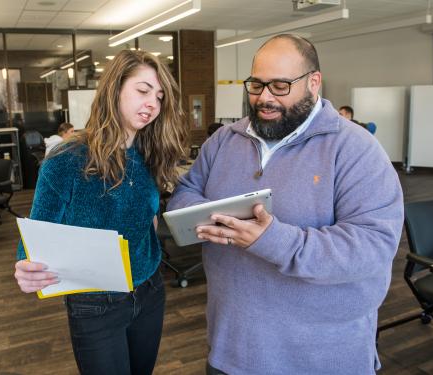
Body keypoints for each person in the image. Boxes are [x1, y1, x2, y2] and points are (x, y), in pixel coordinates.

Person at [167, 34, 403, 375]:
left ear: (313, 83)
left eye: (280, 86)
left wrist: (271, 240)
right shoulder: (223, 141)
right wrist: (215, 217)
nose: (264, 98)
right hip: (230, 348)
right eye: (256, 85)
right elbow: (186, 192)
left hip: (320, 358)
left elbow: (372, 246)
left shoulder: (356, 149)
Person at [14, 50, 188, 375]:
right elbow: (38, 232)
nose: (152, 102)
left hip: (149, 290)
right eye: (143, 90)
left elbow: (146, 221)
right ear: (115, 89)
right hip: (96, 303)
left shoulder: (150, 154)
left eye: (160, 96)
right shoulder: (67, 159)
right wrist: (26, 265)